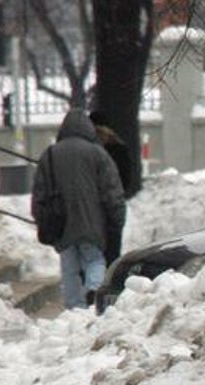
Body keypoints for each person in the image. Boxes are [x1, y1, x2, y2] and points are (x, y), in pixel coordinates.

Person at [31, 108, 126, 310]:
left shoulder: (50, 155)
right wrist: (117, 218)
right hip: (92, 223)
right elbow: (112, 191)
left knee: (69, 268)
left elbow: (40, 194)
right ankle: (93, 292)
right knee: (94, 260)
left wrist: (41, 219)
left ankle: (74, 307)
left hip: (61, 223)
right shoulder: (98, 154)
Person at [88, 110, 132, 264]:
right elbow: (126, 178)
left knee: (92, 256)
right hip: (113, 204)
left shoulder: (88, 149)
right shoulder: (118, 147)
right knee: (112, 253)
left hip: (90, 207)